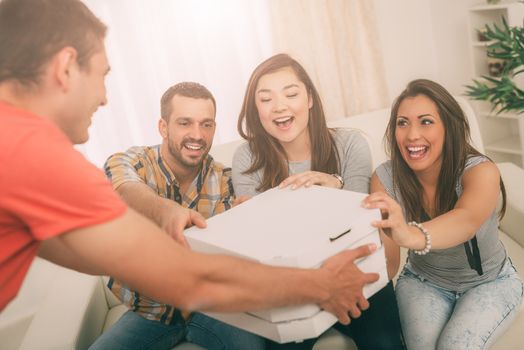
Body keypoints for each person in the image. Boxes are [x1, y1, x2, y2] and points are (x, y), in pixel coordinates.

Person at [0, 0, 382, 330]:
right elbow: (187, 279)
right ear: (66, 67)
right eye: (102, 76)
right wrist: (321, 285)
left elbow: (87, 254)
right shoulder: (31, 152)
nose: (103, 98)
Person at [232, 53, 404, 350]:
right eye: (266, 98)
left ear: (309, 98)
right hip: (293, 288)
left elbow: (360, 229)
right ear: (255, 108)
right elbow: (269, 250)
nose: (280, 106)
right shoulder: (246, 158)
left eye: (291, 93)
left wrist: (334, 185)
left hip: (355, 274)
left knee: (385, 343)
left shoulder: (350, 144)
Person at [90, 82, 264, 350]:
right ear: (163, 127)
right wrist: (166, 210)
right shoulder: (131, 162)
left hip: (213, 308)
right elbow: (122, 188)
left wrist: (249, 219)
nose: (197, 134)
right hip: (152, 313)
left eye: (206, 124)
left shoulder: (226, 179)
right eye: (185, 123)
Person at [363, 79, 524, 349]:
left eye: (426, 121)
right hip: (423, 281)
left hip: (490, 283)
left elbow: (465, 220)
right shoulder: (385, 178)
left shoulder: (480, 171)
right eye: (403, 123)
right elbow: (389, 264)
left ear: (449, 127)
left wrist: (410, 234)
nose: (412, 134)